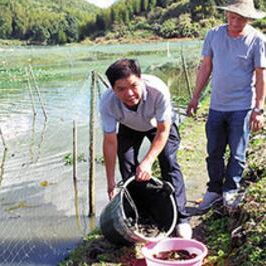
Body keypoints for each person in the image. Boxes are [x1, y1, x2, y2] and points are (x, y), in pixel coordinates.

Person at [186, 0, 266, 212]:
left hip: (242, 106)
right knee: (214, 150)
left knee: (238, 153)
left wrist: (259, 109)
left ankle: (230, 190)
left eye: (240, 18)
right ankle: (213, 190)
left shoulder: (257, 40)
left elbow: (260, 76)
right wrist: (195, 97)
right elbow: (206, 67)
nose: (234, 21)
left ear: (249, 19)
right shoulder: (214, 34)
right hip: (216, 105)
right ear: (227, 14)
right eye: (231, 16)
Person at [99, 58, 192, 239]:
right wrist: (110, 182)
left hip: (158, 126)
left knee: (168, 161)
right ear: (112, 89)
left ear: (141, 79)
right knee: (127, 166)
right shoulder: (107, 103)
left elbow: (163, 131)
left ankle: (181, 218)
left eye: (134, 85)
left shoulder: (158, 90)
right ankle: (139, 215)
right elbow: (110, 142)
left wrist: (148, 161)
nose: (129, 93)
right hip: (129, 126)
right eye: (121, 89)